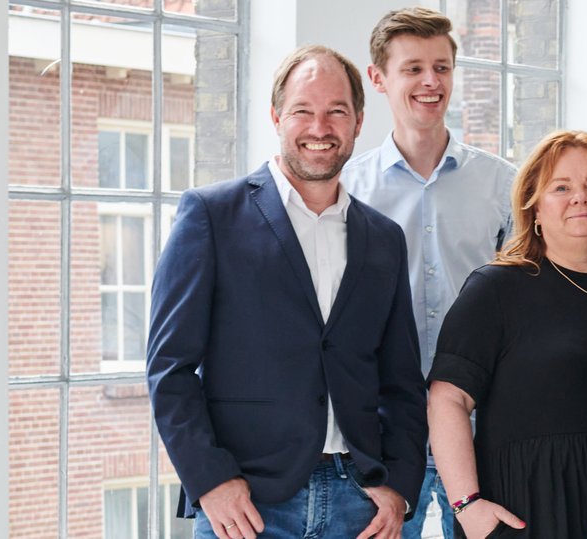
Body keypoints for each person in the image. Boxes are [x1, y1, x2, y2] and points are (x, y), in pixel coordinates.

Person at [148, 45, 425, 539]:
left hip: (357, 505)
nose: (320, 127)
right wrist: (210, 480)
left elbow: (401, 380)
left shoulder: (383, 238)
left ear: (359, 121)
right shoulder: (211, 216)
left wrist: (399, 486)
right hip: (246, 507)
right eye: (303, 110)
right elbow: (168, 368)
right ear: (276, 115)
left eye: (336, 111)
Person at [340, 10, 520, 536]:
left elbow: (520, 304)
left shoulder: (501, 184)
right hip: (382, 425)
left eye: (441, 67)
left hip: (480, 418)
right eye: (412, 68)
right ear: (378, 79)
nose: (430, 82)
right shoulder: (348, 190)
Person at [425, 130, 587, 539]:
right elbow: (447, 398)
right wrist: (467, 506)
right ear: (534, 208)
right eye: (561, 187)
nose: (581, 197)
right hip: (523, 509)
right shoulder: (495, 288)